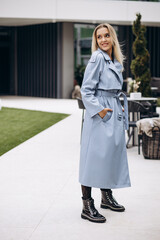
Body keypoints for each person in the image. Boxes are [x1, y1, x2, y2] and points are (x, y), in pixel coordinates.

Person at [79, 23, 131, 223]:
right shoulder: (97, 58)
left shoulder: (114, 60)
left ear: (112, 38)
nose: (103, 40)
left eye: (106, 35)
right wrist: (100, 110)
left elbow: (113, 89)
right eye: (99, 37)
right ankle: (86, 204)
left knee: (109, 156)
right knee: (93, 159)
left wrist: (118, 106)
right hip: (100, 113)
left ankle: (106, 197)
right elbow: (86, 90)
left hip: (112, 108)